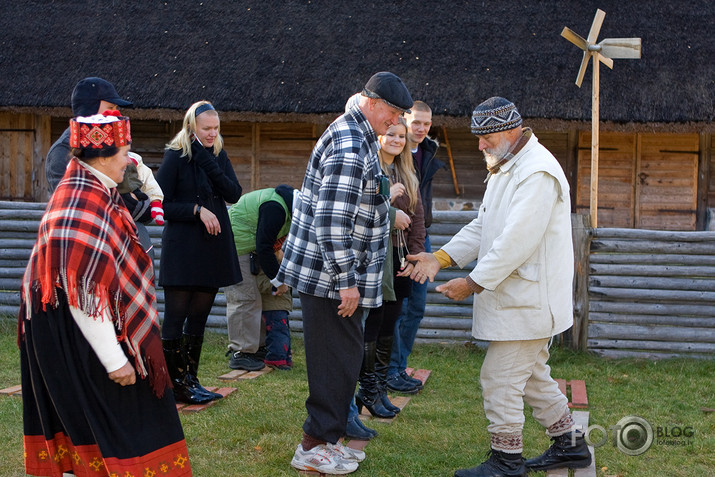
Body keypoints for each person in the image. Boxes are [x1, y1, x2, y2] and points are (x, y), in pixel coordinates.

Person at [407, 97, 591, 477]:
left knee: (500, 377)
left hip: (529, 301)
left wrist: (473, 283)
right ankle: (571, 446)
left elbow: (515, 242)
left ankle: (507, 462)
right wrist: (438, 258)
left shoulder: (537, 172)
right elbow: (483, 227)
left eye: (484, 137)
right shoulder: (509, 165)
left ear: (509, 130)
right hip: (520, 299)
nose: (479, 145)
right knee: (534, 377)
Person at [19, 111, 191, 476]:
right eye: (125, 150)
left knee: (97, 425)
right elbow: (84, 292)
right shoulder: (78, 202)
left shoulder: (97, 189)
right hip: (75, 332)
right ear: (101, 155)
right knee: (107, 425)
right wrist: (114, 359)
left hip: (84, 327)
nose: (129, 159)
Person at [277, 72, 413, 475]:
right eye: (391, 112)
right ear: (371, 103)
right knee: (333, 362)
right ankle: (311, 445)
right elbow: (332, 222)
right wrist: (347, 281)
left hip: (335, 277)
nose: (395, 122)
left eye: (400, 114)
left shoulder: (360, 135)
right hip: (331, 279)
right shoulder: (351, 144)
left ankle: (329, 439)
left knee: (343, 358)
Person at [156, 100, 242, 405]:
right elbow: (161, 205)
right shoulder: (175, 156)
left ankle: (190, 380)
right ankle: (175, 384)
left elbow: (233, 193)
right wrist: (196, 209)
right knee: (176, 315)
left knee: (198, 317)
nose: (212, 133)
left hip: (211, 248)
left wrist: (207, 158)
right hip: (183, 248)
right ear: (191, 127)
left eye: (216, 128)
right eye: (206, 129)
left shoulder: (217, 154)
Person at [355, 117, 425, 419]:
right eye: (391, 134)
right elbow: (360, 208)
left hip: (400, 254)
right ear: (380, 137)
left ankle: (379, 388)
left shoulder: (407, 171)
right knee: (375, 320)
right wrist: (389, 202)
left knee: (391, 320)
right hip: (375, 256)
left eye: (401, 136)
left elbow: (418, 218)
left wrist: (417, 256)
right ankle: (367, 389)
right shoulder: (371, 168)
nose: (397, 139)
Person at [387, 100, 445, 394]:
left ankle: (399, 365)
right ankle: (392, 369)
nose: (421, 129)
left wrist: (420, 241)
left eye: (427, 123)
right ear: (404, 120)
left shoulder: (427, 153)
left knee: (417, 306)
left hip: (422, 236)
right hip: (395, 236)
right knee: (400, 305)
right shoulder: (392, 153)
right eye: (416, 123)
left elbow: (420, 207)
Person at [225, 184, 296, 371]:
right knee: (244, 298)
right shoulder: (276, 208)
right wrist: (279, 282)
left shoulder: (286, 208)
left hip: (252, 248)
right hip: (236, 246)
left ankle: (257, 349)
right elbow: (264, 246)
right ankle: (241, 352)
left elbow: (270, 244)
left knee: (258, 299)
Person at [45, 77, 133, 192]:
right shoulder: (62, 150)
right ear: (89, 109)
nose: (115, 114)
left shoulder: (111, 143)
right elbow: (70, 199)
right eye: (110, 108)